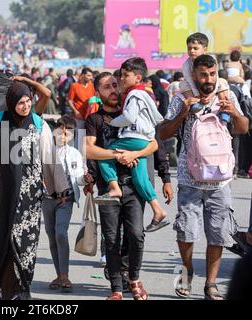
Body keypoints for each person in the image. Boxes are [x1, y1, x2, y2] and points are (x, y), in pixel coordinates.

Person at [159, 54, 249, 300]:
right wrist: (182, 114)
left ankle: (211, 284)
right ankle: (186, 270)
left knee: (218, 233)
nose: (208, 79)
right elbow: (163, 132)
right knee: (185, 232)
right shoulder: (181, 98)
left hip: (220, 179)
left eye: (212, 74)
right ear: (194, 75)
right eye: (203, 75)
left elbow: (242, 128)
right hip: (190, 179)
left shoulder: (226, 95)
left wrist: (235, 113)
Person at [0, 80, 69, 300]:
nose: (25, 106)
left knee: (25, 240)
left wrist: (60, 189)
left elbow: (50, 158)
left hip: (30, 194)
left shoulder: (39, 124)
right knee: (0, 237)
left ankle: (20, 289)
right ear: (11, 102)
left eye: (28, 101)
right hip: (3, 192)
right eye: (20, 103)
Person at [85, 72, 159, 300]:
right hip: (108, 188)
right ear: (98, 93)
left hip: (134, 186)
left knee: (136, 235)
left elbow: (154, 143)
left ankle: (134, 278)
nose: (113, 90)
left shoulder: (131, 112)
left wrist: (135, 153)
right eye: (106, 87)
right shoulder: (94, 120)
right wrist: (117, 155)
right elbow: (88, 149)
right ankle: (116, 288)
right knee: (111, 239)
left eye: (115, 85)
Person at [95, 58, 168, 232]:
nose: (121, 79)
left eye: (125, 75)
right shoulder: (143, 93)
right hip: (143, 139)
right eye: (121, 75)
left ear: (138, 78)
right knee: (140, 177)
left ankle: (114, 188)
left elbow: (128, 117)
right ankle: (158, 210)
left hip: (134, 137)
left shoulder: (134, 95)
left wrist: (112, 122)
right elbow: (157, 118)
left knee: (105, 155)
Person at [43, 116, 92, 293]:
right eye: (60, 130)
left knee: (61, 233)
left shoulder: (75, 154)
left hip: (66, 200)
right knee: (51, 235)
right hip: (47, 199)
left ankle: (65, 275)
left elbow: (78, 178)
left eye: (68, 133)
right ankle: (59, 274)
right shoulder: (45, 151)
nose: (63, 135)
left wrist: (85, 179)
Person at [180, 33, 230, 104]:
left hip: (210, 88)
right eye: (189, 48)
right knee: (183, 84)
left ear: (205, 49)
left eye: (195, 48)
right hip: (195, 88)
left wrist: (211, 95)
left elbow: (216, 79)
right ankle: (194, 105)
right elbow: (190, 82)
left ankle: (224, 106)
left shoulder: (212, 61)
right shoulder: (186, 65)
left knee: (222, 82)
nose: (192, 51)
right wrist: (197, 96)